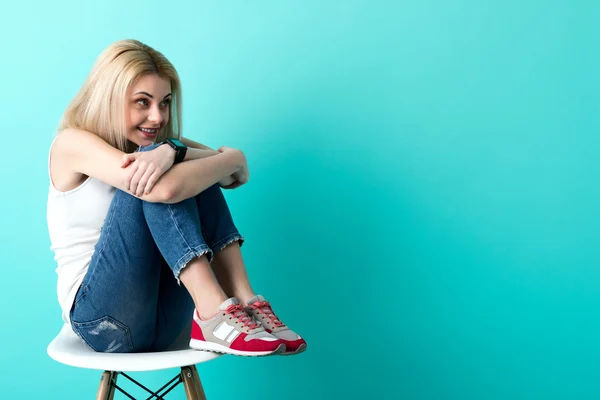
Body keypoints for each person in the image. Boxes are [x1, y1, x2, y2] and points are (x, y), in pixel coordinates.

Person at [46, 39, 306, 356]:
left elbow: (230, 175)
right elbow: (161, 190)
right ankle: (213, 310)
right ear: (109, 99)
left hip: (166, 321)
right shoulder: (71, 144)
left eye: (165, 103)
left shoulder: (162, 144)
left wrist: (178, 151)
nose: (157, 117)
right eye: (142, 102)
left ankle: (245, 299)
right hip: (102, 322)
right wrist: (201, 155)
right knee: (166, 171)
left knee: (195, 171)